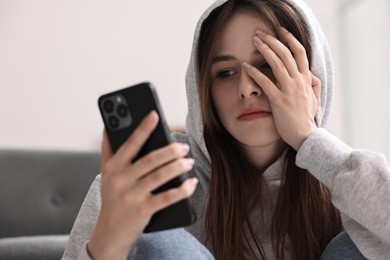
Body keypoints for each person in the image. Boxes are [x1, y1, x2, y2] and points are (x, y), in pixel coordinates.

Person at [62, 0, 390, 259]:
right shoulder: (143, 185)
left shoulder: (342, 176)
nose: (247, 88)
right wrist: (107, 245)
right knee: (155, 241)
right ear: (205, 91)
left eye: (267, 65)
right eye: (226, 73)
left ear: (308, 79)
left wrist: (308, 138)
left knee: (364, 240)